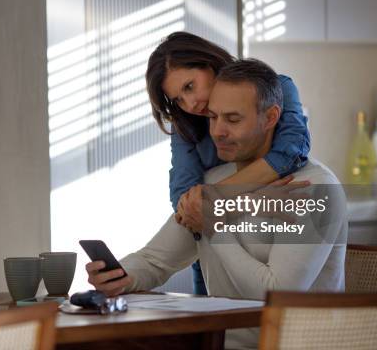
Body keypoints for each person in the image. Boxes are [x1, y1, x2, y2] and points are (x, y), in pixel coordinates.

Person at [85, 59, 347, 349]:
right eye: (212, 117)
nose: (217, 132)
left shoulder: (315, 190)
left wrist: (214, 227)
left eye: (233, 120)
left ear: (271, 117)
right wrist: (120, 276)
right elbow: (155, 261)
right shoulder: (213, 185)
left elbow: (276, 293)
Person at [145, 32, 310, 294]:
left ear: (210, 63)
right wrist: (250, 203)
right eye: (178, 99)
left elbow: (289, 153)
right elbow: (184, 200)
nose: (190, 104)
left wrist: (216, 199)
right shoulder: (185, 125)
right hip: (211, 248)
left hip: (270, 228)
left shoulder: (276, 88)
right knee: (215, 326)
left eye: (189, 86)